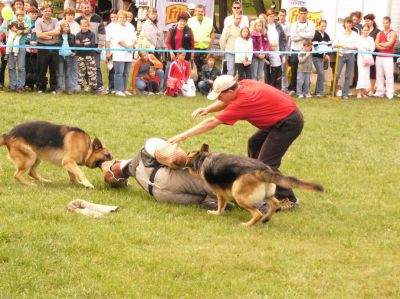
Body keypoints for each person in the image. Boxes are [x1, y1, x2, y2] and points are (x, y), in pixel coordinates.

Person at [168, 75, 304, 208]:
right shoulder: (243, 84)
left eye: (220, 95)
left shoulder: (243, 101)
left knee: (266, 163)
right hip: (278, 118)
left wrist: (183, 135)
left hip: (288, 122)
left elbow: (213, 122)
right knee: (254, 143)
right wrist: (208, 109)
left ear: (231, 91)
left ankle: (288, 199)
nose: (219, 98)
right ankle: (258, 184)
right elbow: (225, 100)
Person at [100, 138, 220, 210]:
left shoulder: (137, 174)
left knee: (202, 198)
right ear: (116, 164)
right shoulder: (142, 153)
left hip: (161, 196)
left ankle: (212, 201)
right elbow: (174, 156)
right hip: (166, 178)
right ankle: (220, 198)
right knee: (217, 184)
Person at [75, 1, 106, 92]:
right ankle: (89, 85)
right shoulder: (78, 20)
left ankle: (99, 86)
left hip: (95, 46)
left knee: (96, 67)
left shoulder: (97, 18)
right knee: (84, 67)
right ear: (81, 9)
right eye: (84, 7)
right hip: (82, 48)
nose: (86, 9)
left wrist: (100, 47)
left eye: (88, 7)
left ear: (91, 8)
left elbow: (102, 34)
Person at [105, 10, 136, 97]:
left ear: (126, 19)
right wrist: (127, 46)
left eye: (124, 17)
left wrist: (131, 45)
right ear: (118, 18)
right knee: (119, 72)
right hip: (119, 54)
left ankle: (124, 89)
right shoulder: (115, 28)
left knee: (126, 72)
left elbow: (134, 38)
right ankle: (118, 90)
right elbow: (119, 40)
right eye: (120, 17)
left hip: (128, 54)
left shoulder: (129, 27)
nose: (122, 19)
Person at [288, 7, 315, 95]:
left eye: (304, 13)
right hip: (296, 50)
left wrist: (299, 33)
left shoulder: (311, 24)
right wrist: (305, 35)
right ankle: (294, 89)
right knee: (294, 70)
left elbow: (311, 36)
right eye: (301, 13)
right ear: (299, 14)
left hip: (307, 51)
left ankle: (305, 90)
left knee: (306, 71)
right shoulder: (294, 24)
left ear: (307, 14)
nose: (303, 15)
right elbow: (293, 37)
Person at [35, 4, 60, 94]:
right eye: (45, 11)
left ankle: (53, 88)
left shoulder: (56, 20)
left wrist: (45, 33)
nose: (47, 12)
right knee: (42, 68)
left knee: (53, 69)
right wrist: (50, 36)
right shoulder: (38, 21)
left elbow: (57, 32)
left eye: (49, 11)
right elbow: (39, 35)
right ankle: (41, 87)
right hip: (42, 47)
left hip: (54, 47)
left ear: (51, 12)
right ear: (42, 12)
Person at [187, 4, 214, 81]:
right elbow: (187, 35)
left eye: (202, 11)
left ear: (204, 12)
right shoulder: (190, 21)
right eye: (198, 11)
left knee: (205, 67)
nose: (200, 13)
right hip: (194, 48)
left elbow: (212, 33)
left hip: (205, 48)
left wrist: (210, 46)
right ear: (195, 12)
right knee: (195, 67)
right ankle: (195, 84)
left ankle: (203, 83)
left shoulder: (209, 21)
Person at [334, 17, 358, 100]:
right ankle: (334, 91)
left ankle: (345, 93)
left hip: (351, 56)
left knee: (348, 76)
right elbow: (334, 45)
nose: (348, 24)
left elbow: (357, 46)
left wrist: (350, 48)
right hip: (341, 55)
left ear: (352, 24)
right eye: (347, 23)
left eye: (350, 23)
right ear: (344, 24)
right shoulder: (340, 33)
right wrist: (341, 45)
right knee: (337, 74)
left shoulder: (355, 34)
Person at [374, 16, 397, 100]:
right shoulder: (379, 33)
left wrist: (381, 44)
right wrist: (383, 45)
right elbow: (376, 44)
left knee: (389, 75)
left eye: (386, 23)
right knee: (379, 75)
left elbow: (389, 44)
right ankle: (380, 91)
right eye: (383, 23)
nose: (385, 24)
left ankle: (389, 92)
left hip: (388, 57)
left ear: (390, 23)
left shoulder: (393, 33)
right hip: (379, 56)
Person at [263, 9, 285, 85]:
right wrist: (268, 47)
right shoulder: (264, 26)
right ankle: (268, 88)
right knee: (267, 72)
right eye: (270, 16)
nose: (271, 18)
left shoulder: (278, 25)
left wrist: (282, 50)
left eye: (273, 16)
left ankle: (277, 88)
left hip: (277, 51)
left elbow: (283, 38)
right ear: (267, 17)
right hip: (268, 52)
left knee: (277, 72)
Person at [62, 8, 80, 93]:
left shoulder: (76, 25)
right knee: (63, 68)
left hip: (73, 51)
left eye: (72, 15)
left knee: (74, 68)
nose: (70, 17)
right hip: (62, 51)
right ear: (65, 15)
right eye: (68, 15)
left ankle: (74, 86)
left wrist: (75, 51)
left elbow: (77, 39)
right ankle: (63, 86)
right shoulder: (60, 23)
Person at [312, 20, 331, 97]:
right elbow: (316, 47)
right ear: (319, 25)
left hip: (323, 58)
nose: (323, 27)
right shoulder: (315, 34)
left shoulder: (327, 36)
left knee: (321, 74)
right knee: (321, 73)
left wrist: (327, 54)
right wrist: (323, 53)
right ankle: (320, 92)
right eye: (322, 26)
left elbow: (329, 47)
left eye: (325, 26)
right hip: (316, 57)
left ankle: (317, 91)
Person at [356, 24, 375, 98]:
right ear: (362, 30)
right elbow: (358, 47)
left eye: (367, 30)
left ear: (369, 31)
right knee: (361, 74)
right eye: (364, 30)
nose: (365, 31)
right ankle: (358, 92)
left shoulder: (371, 38)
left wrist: (368, 49)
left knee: (366, 75)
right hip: (361, 58)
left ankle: (363, 92)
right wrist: (365, 49)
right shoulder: (359, 38)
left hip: (368, 58)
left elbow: (372, 47)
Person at [363, 14, 380, 96]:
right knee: (365, 70)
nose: (367, 22)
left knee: (372, 71)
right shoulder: (364, 29)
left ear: (372, 21)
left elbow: (377, 43)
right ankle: (365, 88)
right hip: (364, 54)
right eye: (365, 20)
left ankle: (372, 89)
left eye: (368, 20)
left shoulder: (377, 31)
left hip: (373, 54)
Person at [57, 21, 75, 95]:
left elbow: (75, 45)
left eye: (67, 26)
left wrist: (74, 52)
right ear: (61, 28)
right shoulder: (58, 36)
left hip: (69, 56)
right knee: (60, 73)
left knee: (68, 73)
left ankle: (69, 89)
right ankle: (59, 89)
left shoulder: (72, 36)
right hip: (60, 56)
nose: (66, 28)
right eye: (64, 26)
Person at [24, 6, 38, 91]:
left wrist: (37, 41)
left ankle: (33, 84)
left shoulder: (38, 23)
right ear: (28, 14)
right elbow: (22, 36)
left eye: (35, 13)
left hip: (36, 49)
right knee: (26, 67)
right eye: (32, 13)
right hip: (26, 49)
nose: (34, 15)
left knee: (35, 68)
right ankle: (26, 84)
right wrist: (29, 42)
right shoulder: (25, 23)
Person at [278, 9, 290, 93]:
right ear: (278, 15)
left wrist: (286, 52)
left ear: (285, 16)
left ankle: (284, 88)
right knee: (276, 69)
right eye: (280, 15)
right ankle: (276, 86)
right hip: (276, 50)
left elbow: (287, 39)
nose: (282, 17)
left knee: (284, 69)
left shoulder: (288, 25)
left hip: (284, 51)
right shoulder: (275, 24)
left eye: (283, 15)